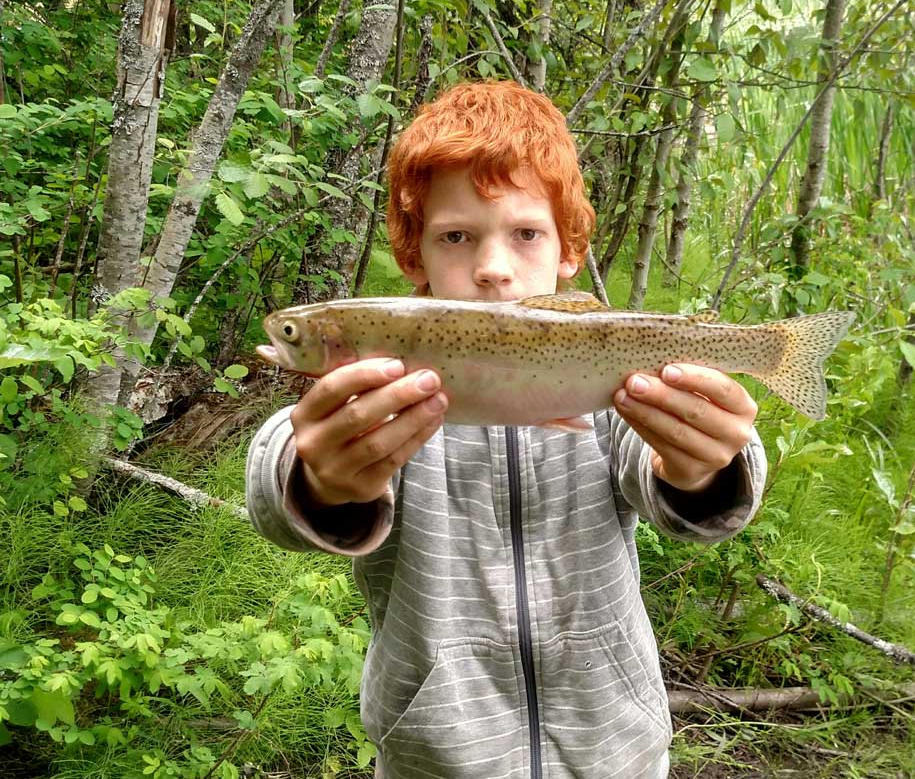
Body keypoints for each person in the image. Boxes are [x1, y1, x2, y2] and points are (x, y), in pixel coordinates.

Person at [246, 80, 766, 778]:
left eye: (525, 233)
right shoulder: (389, 380)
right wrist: (317, 477)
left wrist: (705, 467)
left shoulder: (601, 373)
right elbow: (278, 458)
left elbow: (691, 476)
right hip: (435, 762)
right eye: (457, 236)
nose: (493, 268)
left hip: (614, 758)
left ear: (567, 249)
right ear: (414, 257)